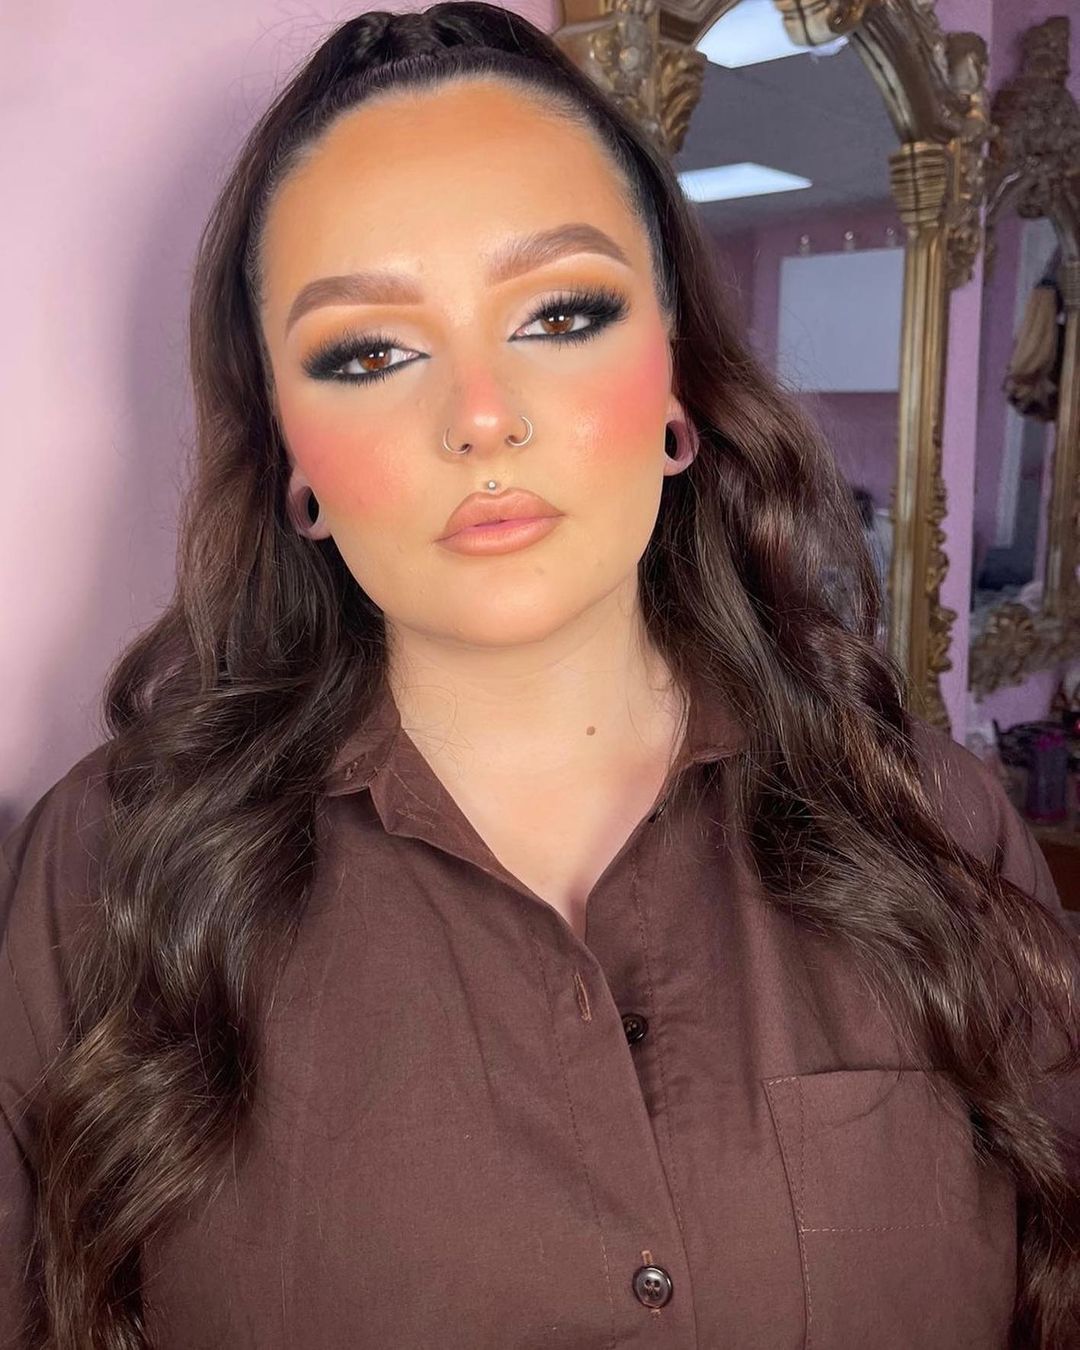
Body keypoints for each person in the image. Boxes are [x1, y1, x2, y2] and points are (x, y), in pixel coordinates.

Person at [2, 5, 1078, 1347]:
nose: (481, 417)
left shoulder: (937, 825)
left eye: (562, 314)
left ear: (676, 380)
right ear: (293, 461)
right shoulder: (105, 875)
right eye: (368, 352)